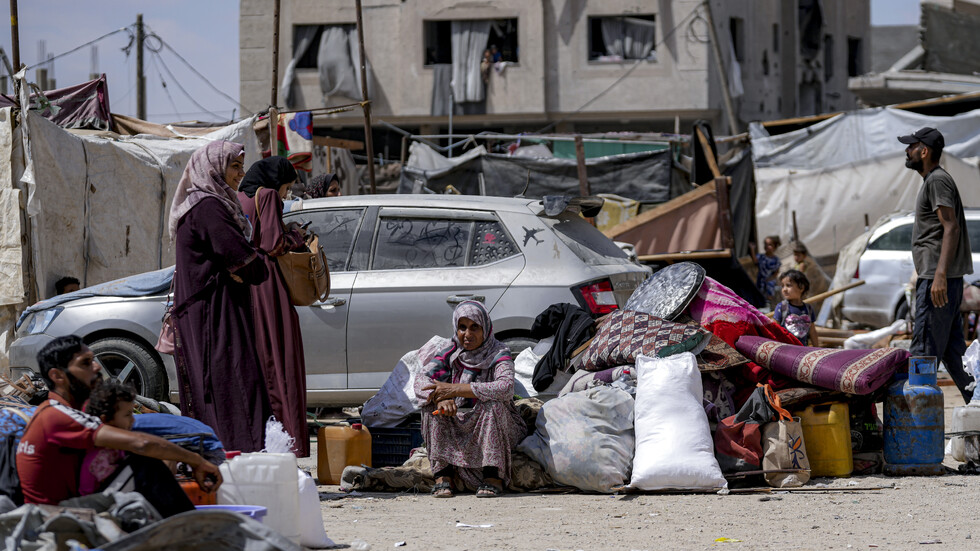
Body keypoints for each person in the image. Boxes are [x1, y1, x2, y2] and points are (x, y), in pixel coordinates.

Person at [16, 336, 220, 515]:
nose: (96, 367)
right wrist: (196, 460)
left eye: (93, 360)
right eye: (85, 363)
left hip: (72, 502)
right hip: (54, 514)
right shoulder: (55, 415)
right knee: (143, 462)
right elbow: (140, 443)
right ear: (57, 376)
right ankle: (191, 531)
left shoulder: (67, 411)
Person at [169, 140, 272, 453]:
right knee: (233, 382)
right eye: (234, 166)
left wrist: (246, 265)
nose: (240, 174)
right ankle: (242, 454)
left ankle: (223, 454)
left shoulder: (207, 202)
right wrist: (254, 264)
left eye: (242, 167)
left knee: (222, 383)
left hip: (213, 308)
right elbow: (248, 263)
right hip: (213, 313)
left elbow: (242, 262)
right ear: (214, 167)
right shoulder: (208, 207)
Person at [414, 301, 526, 498]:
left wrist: (454, 389)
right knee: (429, 406)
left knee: (493, 404)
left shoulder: (499, 352)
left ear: (486, 328)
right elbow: (421, 381)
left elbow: (505, 387)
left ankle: (493, 476)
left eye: (475, 327)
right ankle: (443, 476)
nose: (467, 334)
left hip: (493, 423)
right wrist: (440, 398)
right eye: (462, 327)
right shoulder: (450, 351)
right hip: (459, 419)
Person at [238, 156, 311, 457]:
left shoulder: (240, 196)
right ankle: (287, 438)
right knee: (281, 358)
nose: (284, 194)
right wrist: (296, 234)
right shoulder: (266, 195)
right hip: (268, 284)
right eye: (286, 187)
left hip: (247, 283)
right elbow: (272, 244)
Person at [900, 126, 974, 402]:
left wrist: (939, 275)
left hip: (936, 280)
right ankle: (977, 402)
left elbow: (950, 227)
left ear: (924, 150)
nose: (906, 151)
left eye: (911, 146)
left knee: (924, 348)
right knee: (953, 351)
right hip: (938, 278)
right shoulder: (933, 180)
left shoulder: (937, 180)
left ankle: (916, 428)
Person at [79, 379, 137, 496]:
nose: (133, 420)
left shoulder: (116, 446)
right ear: (105, 419)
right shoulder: (101, 456)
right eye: (127, 415)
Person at [774, 270, 819, 347]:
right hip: (786, 350)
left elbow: (812, 332)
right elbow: (774, 330)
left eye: (788, 285)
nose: (784, 289)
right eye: (782, 286)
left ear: (801, 287)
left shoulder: (808, 309)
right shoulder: (782, 307)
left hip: (803, 350)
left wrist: (817, 349)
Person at [756, 235, 782, 307]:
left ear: (775, 246)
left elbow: (776, 272)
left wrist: (770, 279)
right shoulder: (761, 257)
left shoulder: (776, 260)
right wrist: (752, 249)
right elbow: (755, 261)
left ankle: (769, 305)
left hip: (770, 281)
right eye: (766, 244)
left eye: (770, 245)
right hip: (761, 280)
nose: (767, 246)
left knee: (770, 289)